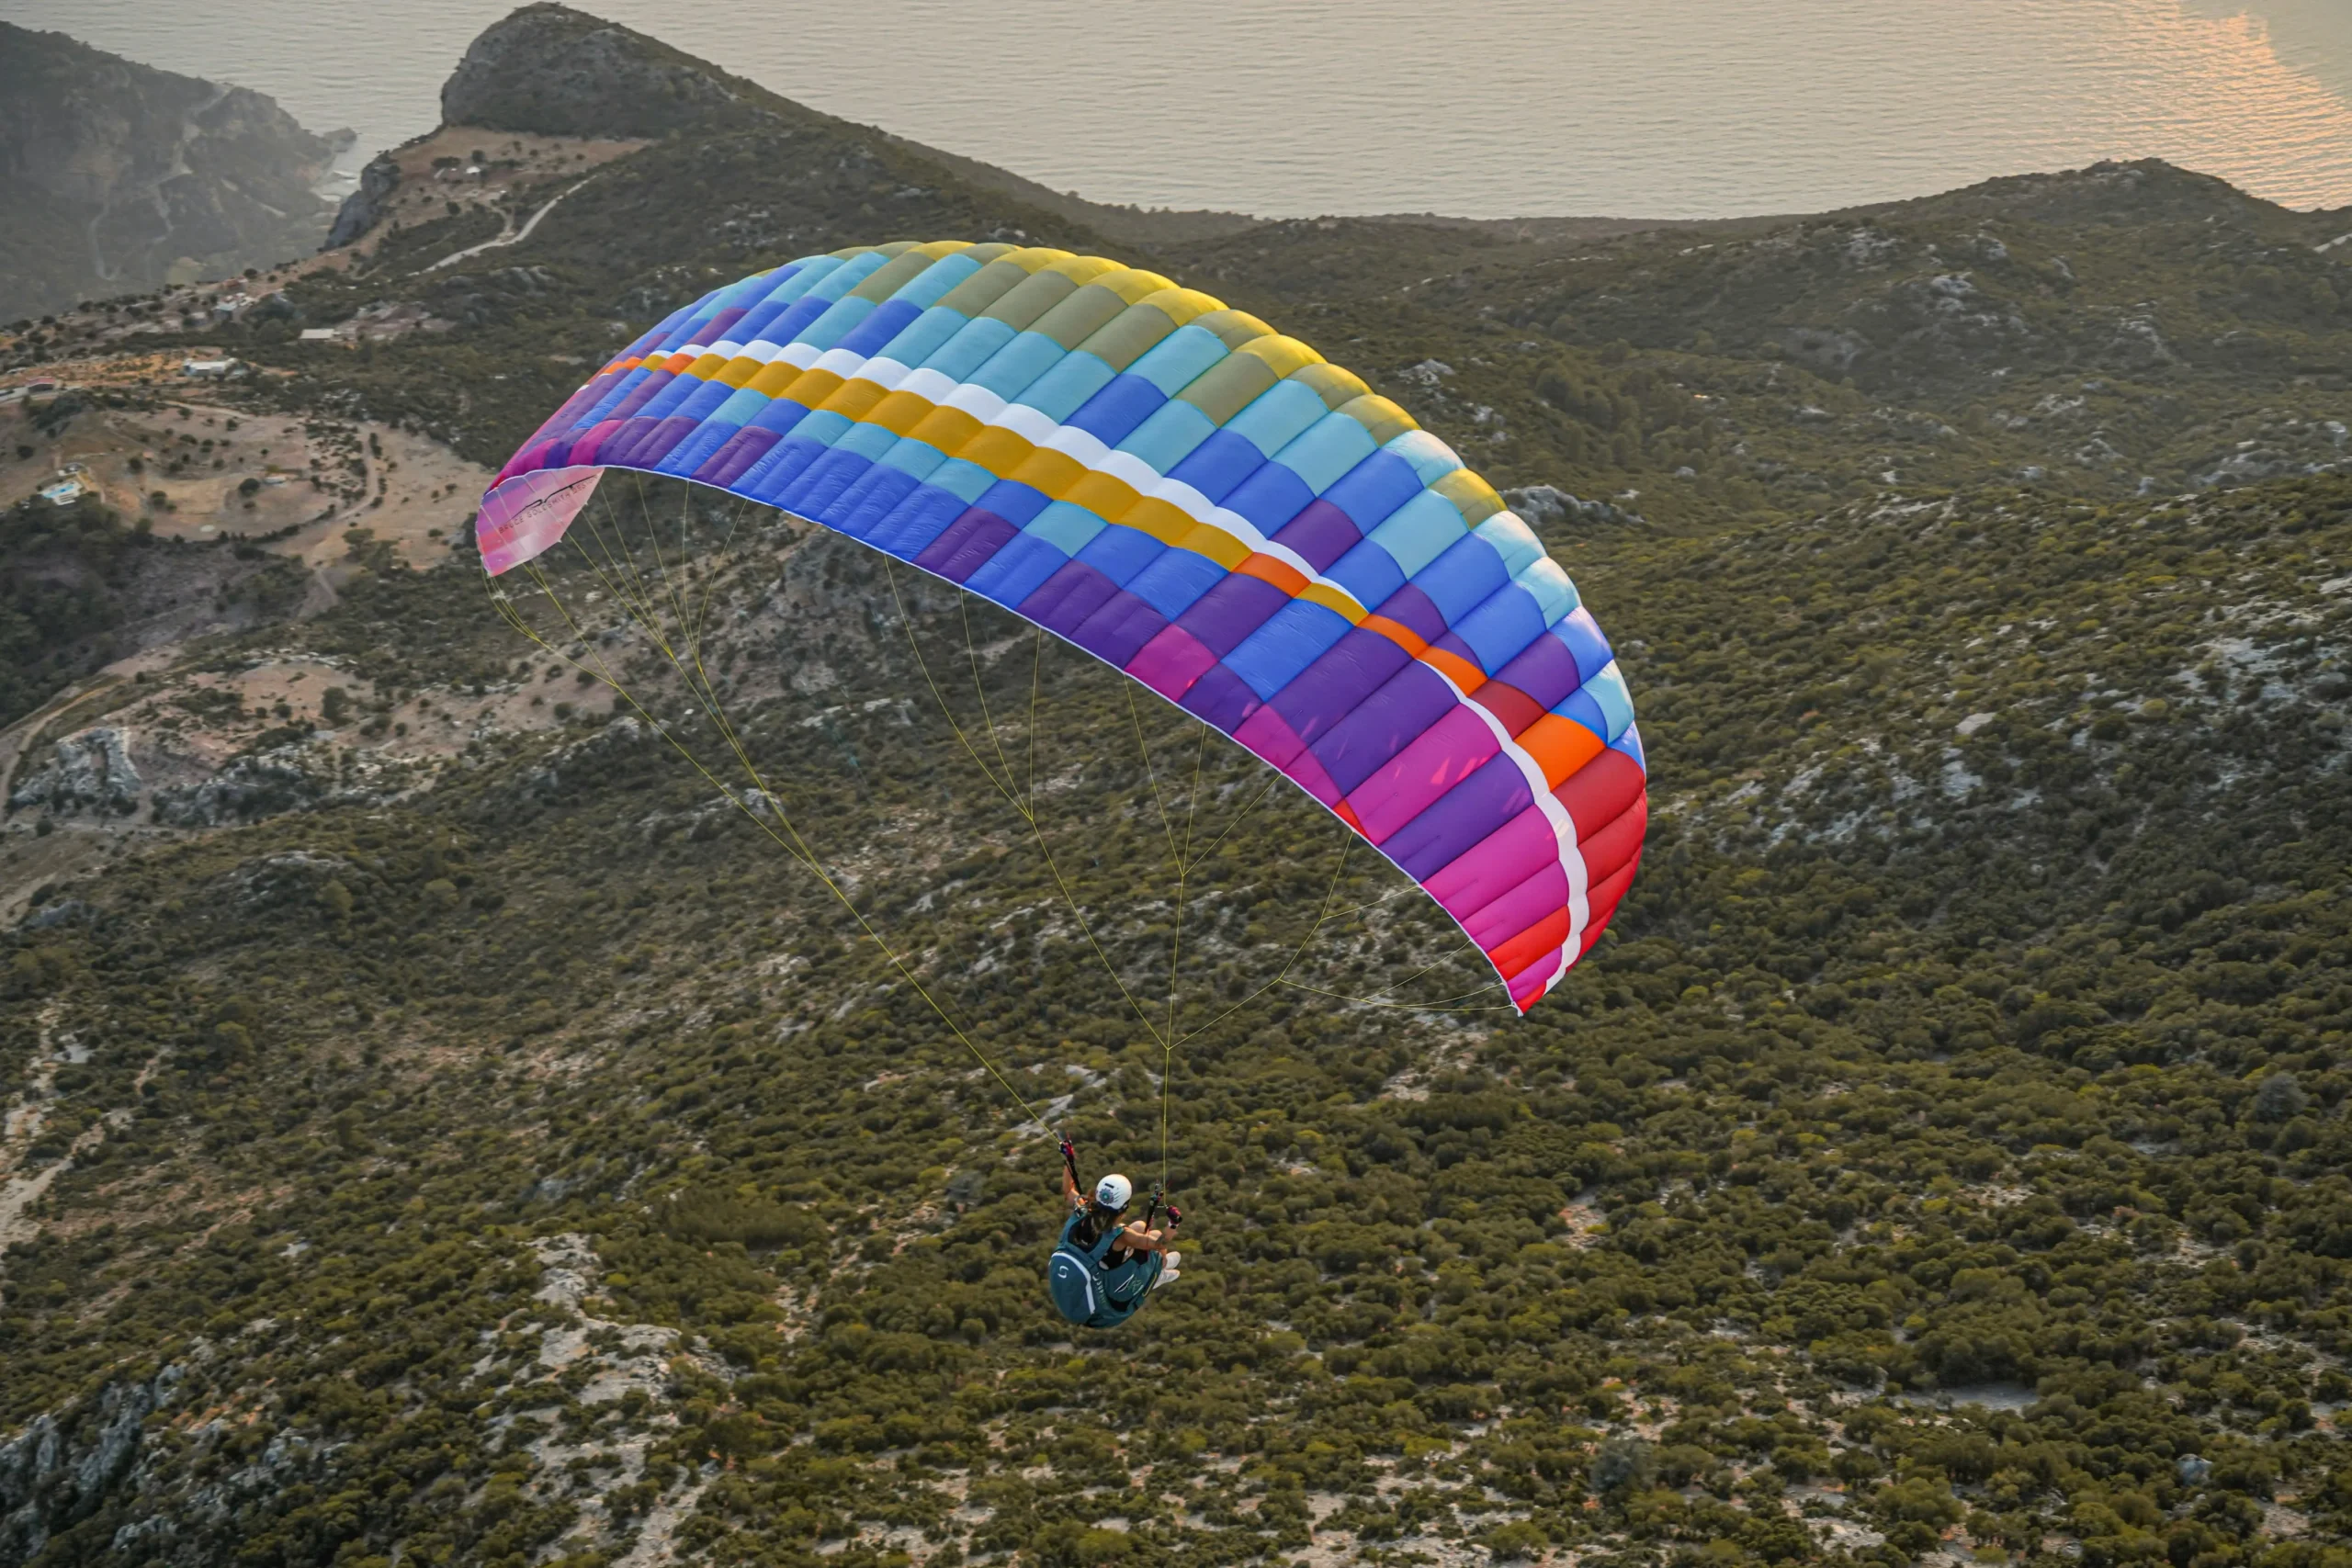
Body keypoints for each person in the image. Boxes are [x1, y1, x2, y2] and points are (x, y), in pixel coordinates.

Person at [1046, 1141, 1180, 1329]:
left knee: (1140, 1226)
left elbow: (1068, 1189)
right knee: (1154, 1241)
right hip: (1106, 1298)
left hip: (1092, 1275)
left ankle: (1157, 1268)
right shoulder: (1121, 1235)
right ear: (1124, 1207)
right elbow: (1159, 1242)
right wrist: (1172, 1224)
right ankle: (1157, 1273)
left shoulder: (1082, 1210)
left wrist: (1069, 1160)